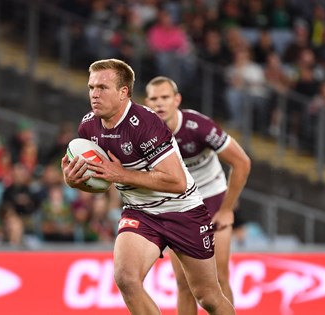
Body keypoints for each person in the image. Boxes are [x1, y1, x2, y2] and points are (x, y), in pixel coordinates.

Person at [61, 58, 235, 314]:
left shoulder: (145, 123)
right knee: (126, 278)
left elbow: (176, 182)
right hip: (139, 212)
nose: (94, 94)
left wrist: (121, 174)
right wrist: (74, 181)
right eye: (91, 87)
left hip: (182, 211)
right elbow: (102, 181)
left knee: (208, 296)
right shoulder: (88, 126)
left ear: (123, 93)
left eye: (102, 88)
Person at [145, 76, 251, 313]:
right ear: (147, 102)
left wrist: (227, 210)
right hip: (179, 206)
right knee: (184, 284)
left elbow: (242, 162)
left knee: (219, 279)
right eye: (154, 98)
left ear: (177, 100)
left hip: (213, 201)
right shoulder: (143, 133)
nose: (159, 103)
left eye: (165, 97)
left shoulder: (198, 126)